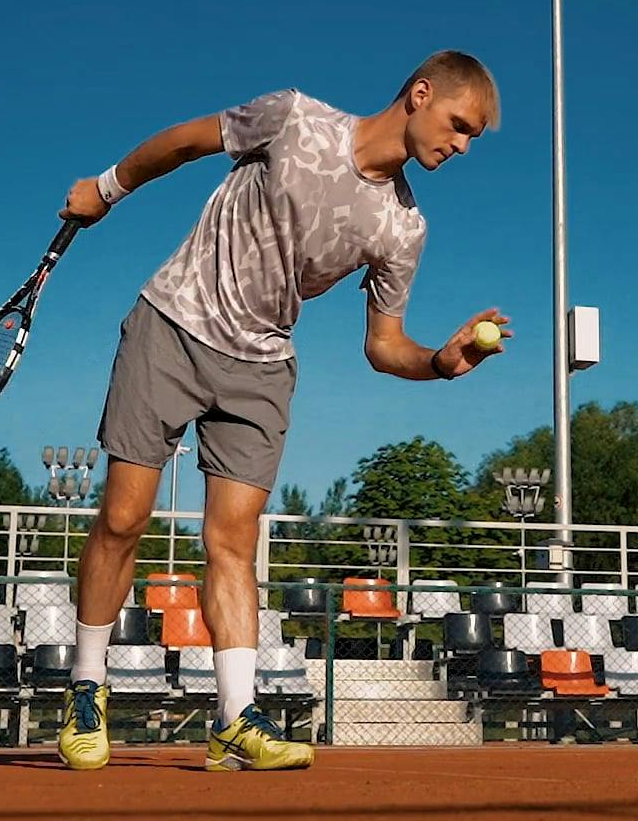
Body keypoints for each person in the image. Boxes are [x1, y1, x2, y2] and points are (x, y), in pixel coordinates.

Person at [52, 50, 510, 772]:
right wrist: (105, 191)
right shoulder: (295, 118)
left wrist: (442, 364)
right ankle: (85, 686)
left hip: (262, 367)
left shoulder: (403, 229)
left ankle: (234, 721)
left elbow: (384, 345)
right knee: (121, 518)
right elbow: (185, 142)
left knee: (232, 542)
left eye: (472, 139)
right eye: (459, 125)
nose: (460, 145)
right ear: (420, 95)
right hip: (171, 323)